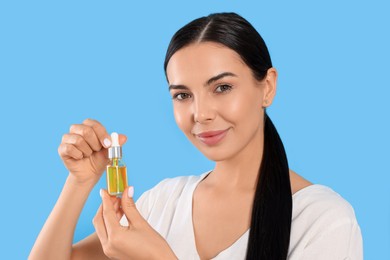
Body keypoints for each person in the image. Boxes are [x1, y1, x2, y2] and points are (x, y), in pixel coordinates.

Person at [29, 12, 363, 260]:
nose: (200, 113)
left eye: (222, 87)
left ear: (268, 87)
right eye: (182, 95)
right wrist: (79, 184)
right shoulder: (162, 202)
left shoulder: (323, 219)